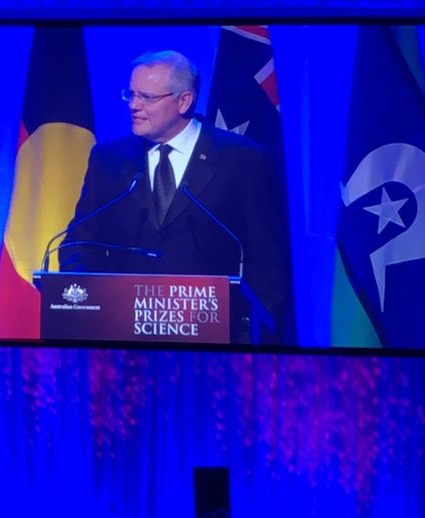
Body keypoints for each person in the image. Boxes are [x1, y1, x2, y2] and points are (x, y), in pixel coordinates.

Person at [60, 50, 292, 344]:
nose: (134, 105)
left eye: (147, 97)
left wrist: (252, 342)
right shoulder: (108, 160)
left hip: (215, 343)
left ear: (184, 101)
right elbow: (77, 243)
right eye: (130, 94)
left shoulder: (243, 161)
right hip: (121, 340)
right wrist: (83, 305)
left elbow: (268, 264)